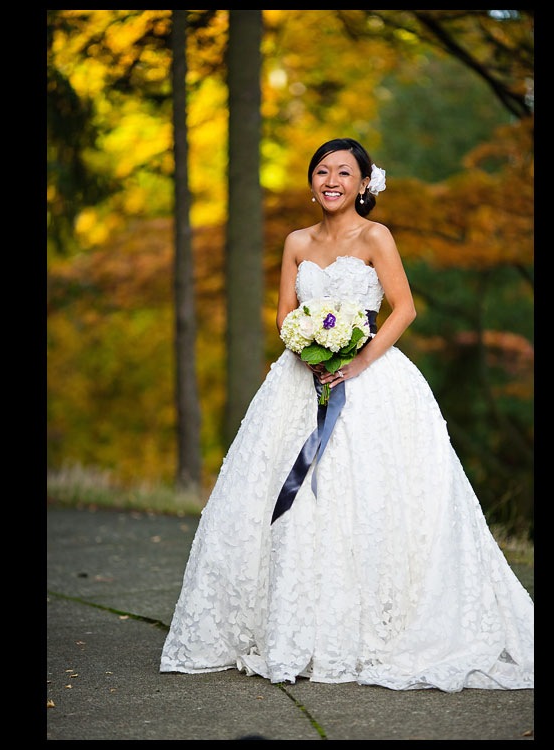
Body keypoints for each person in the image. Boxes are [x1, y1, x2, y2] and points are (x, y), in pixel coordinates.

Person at [159, 137, 534, 692]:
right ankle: (286, 625)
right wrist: (304, 347)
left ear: (363, 184)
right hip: (298, 379)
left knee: (368, 496)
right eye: (321, 171)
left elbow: (403, 308)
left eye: (343, 172)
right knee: (283, 499)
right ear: (312, 182)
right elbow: (285, 313)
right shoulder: (294, 242)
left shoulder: (376, 237)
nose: (330, 180)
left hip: (371, 379)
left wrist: (356, 363)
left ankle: (373, 627)